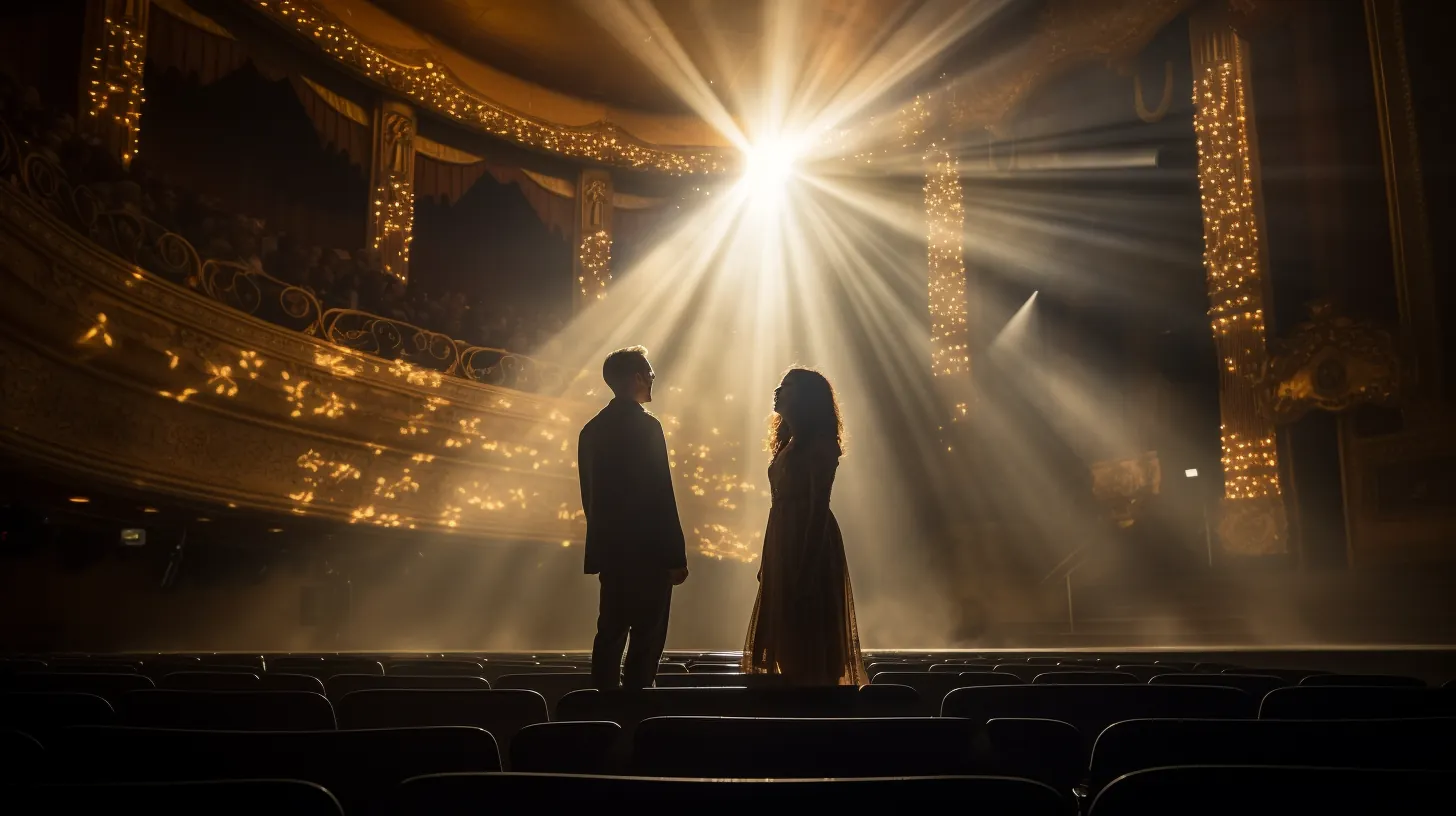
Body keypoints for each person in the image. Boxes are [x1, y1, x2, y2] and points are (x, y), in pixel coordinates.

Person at [742, 367, 866, 685]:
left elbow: (818, 506)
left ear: (807, 398)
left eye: (788, 386)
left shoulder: (820, 445)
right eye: (780, 384)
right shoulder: (788, 445)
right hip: (783, 538)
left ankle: (812, 706)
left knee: (807, 631)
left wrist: (805, 567)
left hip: (807, 537)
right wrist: (769, 560)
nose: (778, 390)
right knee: (785, 634)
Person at [578, 346, 689, 689]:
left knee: (609, 633)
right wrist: (675, 556)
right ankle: (637, 713)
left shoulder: (591, 430)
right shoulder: (647, 427)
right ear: (637, 377)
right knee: (647, 639)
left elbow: (590, 498)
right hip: (649, 554)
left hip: (612, 553)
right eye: (651, 374)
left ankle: (602, 711)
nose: (653, 380)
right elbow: (661, 495)